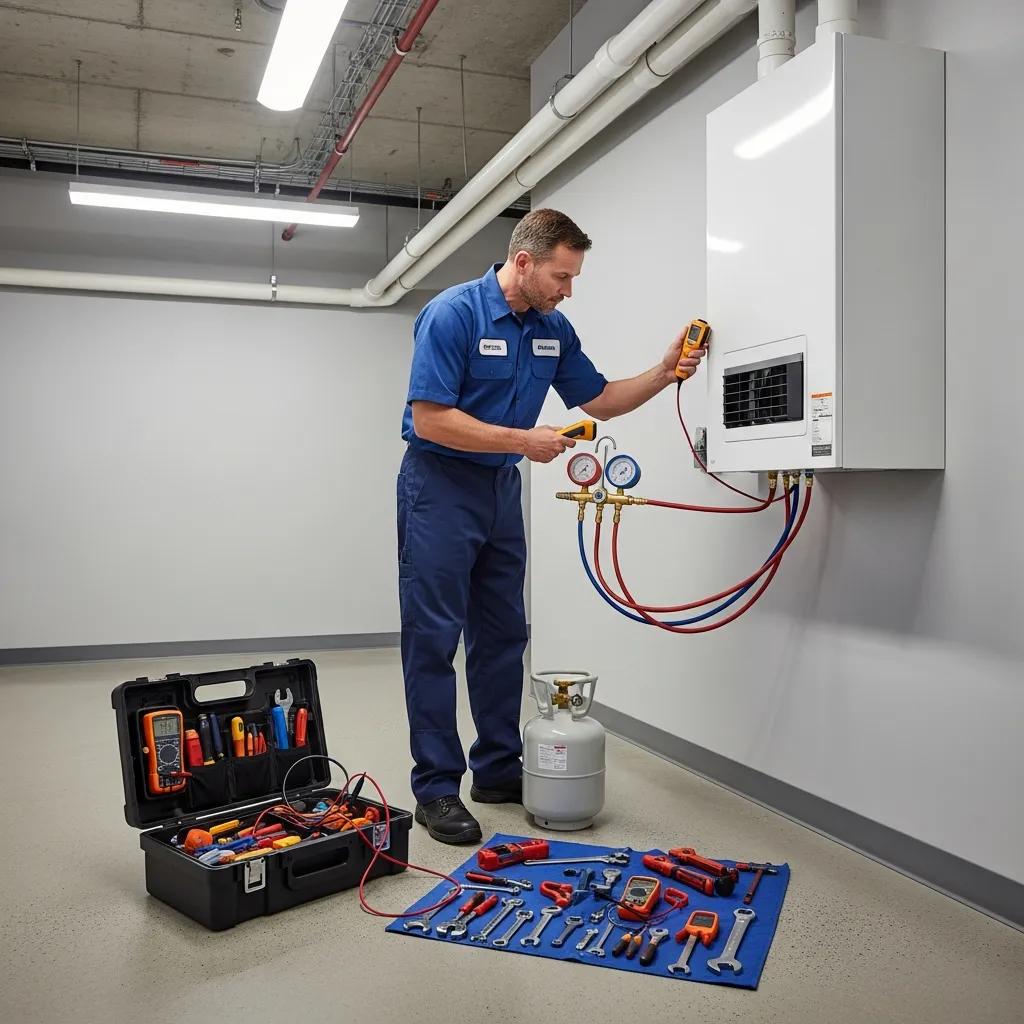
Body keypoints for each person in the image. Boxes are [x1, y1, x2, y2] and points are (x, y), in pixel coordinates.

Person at [397, 208, 706, 843]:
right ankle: (434, 789)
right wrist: (521, 438)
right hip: (440, 486)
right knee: (433, 639)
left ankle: (496, 768)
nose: (568, 290)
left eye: (573, 279)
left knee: (503, 633)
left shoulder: (552, 330)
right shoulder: (454, 313)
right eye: (562, 277)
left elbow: (597, 398)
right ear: (524, 262)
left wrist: (665, 368)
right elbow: (429, 418)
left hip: (498, 489)